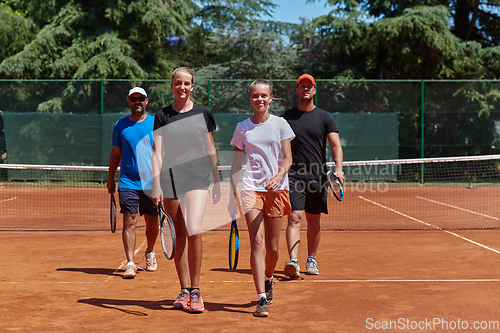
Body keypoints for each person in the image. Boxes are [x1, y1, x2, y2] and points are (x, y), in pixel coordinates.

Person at [151, 67, 221, 313]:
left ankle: (197, 290)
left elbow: (210, 147)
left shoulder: (203, 112)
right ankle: (184, 290)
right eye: (178, 83)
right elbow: (157, 152)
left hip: (197, 177)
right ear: (172, 85)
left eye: (187, 83)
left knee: (193, 230)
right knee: (178, 235)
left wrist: (217, 178)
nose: (182, 87)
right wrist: (156, 184)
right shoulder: (162, 115)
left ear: (193, 86)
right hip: (170, 179)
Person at [229, 80, 295, 317]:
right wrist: (231, 192)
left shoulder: (281, 124)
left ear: (271, 98)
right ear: (251, 98)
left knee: (273, 248)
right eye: (255, 96)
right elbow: (237, 163)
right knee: (256, 242)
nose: (260, 100)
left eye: (264, 96)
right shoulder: (242, 127)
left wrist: (278, 177)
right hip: (250, 189)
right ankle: (261, 298)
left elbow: (288, 159)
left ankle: (269, 278)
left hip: (277, 190)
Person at [281, 74, 344, 279]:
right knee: (294, 216)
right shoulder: (286, 117)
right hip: (294, 176)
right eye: (302, 86)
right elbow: (277, 145)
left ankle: (311, 259)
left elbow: (335, 145)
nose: (306, 89)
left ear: (314, 90)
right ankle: (293, 260)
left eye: (309, 86)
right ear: (297, 90)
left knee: (314, 219)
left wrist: (339, 169)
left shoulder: (325, 117)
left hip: (318, 176)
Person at [107, 87, 159, 279]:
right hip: (128, 181)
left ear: (147, 101)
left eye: (141, 99)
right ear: (128, 101)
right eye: (133, 99)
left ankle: (150, 252)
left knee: (152, 221)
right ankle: (130, 262)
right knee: (129, 219)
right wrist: (110, 176)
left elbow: (162, 154)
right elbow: (115, 153)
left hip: (152, 182)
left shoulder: (156, 123)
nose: (137, 102)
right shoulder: (120, 125)